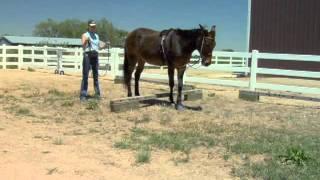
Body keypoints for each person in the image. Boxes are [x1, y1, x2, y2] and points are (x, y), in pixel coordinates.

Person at [80, 19, 107, 101]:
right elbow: (83, 46)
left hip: (95, 55)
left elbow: (98, 46)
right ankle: (83, 95)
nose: (93, 27)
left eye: (94, 26)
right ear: (88, 26)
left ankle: (97, 94)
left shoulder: (96, 36)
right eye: (92, 26)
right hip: (87, 55)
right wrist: (86, 41)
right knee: (85, 76)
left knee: (96, 76)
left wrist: (105, 45)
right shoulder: (85, 35)